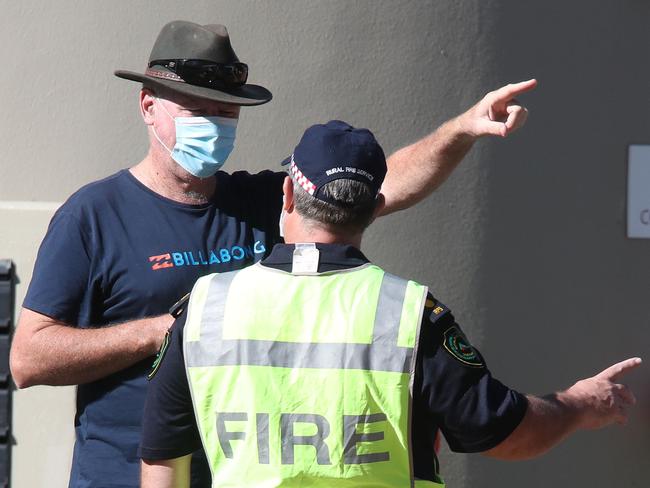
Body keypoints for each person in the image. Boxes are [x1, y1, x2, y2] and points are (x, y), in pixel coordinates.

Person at [8, 20, 535, 488]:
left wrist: (462, 129)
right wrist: (166, 332)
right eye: (199, 110)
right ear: (149, 106)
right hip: (122, 474)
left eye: (227, 112)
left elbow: (380, 183)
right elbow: (29, 360)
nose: (215, 125)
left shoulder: (264, 203)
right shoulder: (95, 215)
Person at [139, 120, 641, 487]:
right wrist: (579, 403)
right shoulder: (409, 315)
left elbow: (162, 464)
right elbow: (506, 435)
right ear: (376, 209)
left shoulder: (205, 309)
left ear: (287, 194)